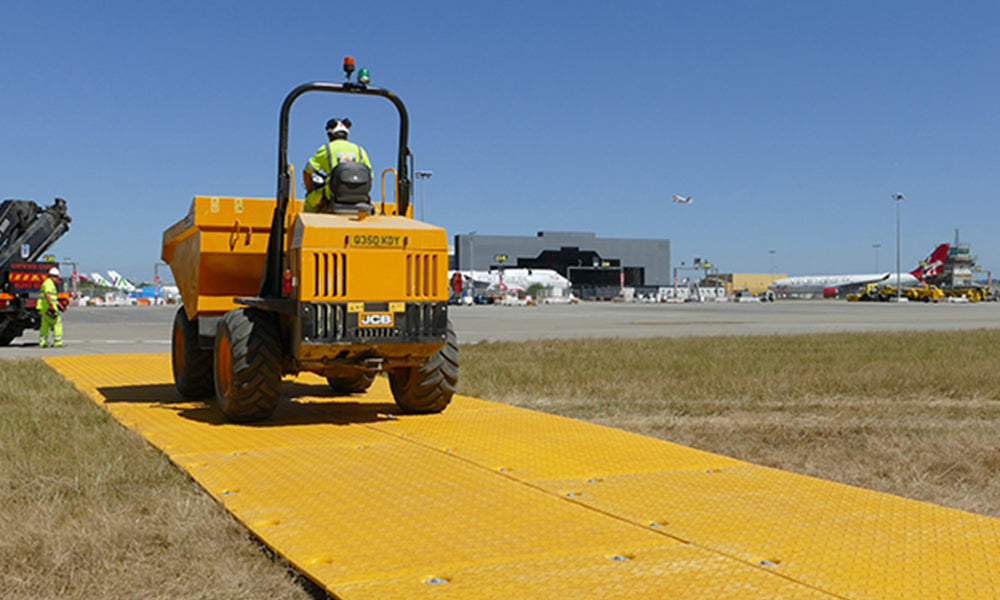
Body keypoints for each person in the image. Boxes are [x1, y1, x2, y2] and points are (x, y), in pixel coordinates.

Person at [302, 117, 373, 212]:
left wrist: (309, 192)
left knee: (309, 202)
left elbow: (307, 171)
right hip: (360, 196)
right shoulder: (360, 150)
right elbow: (370, 176)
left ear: (329, 135)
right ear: (346, 136)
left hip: (332, 194)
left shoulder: (326, 149)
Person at [38, 266, 63, 347]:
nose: (56, 278)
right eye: (55, 276)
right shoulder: (49, 283)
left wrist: (59, 305)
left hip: (44, 306)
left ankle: (43, 342)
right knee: (57, 322)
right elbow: (47, 294)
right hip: (48, 306)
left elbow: (53, 297)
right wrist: (51, 305)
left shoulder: (49, 282)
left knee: (45, 324)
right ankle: (57, 342)